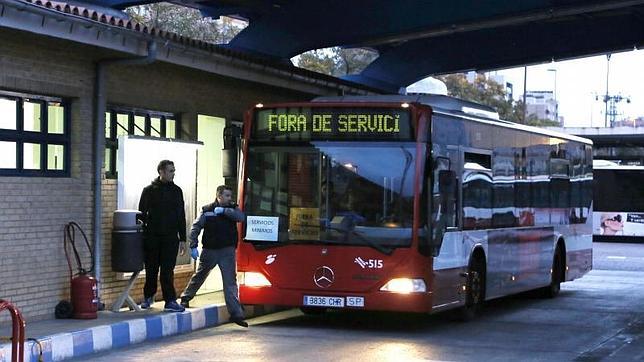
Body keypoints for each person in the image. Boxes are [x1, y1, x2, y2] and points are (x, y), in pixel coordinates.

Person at [180, 185, 248, 327]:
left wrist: (225, 211)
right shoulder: (207, 210)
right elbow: (196, 227)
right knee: (200, 275)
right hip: (210, 250)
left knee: (230, 282)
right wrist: (193, 246)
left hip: (227, 251)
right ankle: (186, 297)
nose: (230, 198)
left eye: (230, 196)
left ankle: (236, 314)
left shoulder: (232, 209)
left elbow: (241, 217)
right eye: (227, 196)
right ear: (219, 196)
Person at [138, 160, 187, 313]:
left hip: (170, 237)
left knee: (167, 270)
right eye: (170, 171)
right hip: (152, 236)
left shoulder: (176, 191)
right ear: (161, 171)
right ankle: (148, 296)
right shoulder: (149, 190)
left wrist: (183, 238)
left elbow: (181, 215)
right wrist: (143, 234)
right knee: (151, 269)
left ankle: (170, 300)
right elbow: (141, 214)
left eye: (174, 170)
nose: (173, 173)